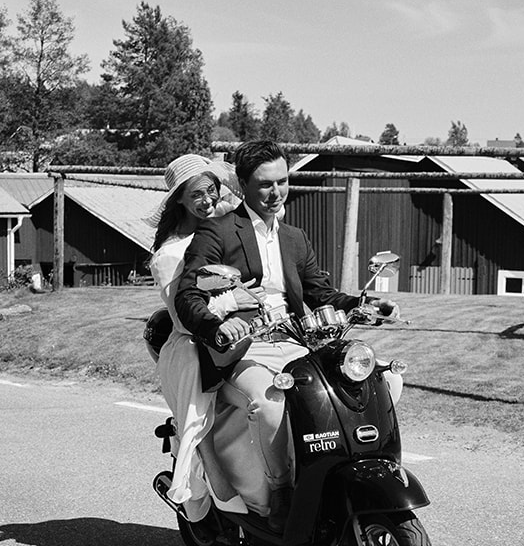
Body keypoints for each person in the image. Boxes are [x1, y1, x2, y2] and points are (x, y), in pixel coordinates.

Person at [174, 140, 397, 523]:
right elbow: (188, 294)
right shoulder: (218, 231)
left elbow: (319, 291)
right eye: (264, 184)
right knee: (272, 405)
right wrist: (219, 325)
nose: (276, 192)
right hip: (244, 349)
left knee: (374, 383)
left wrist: (361, 305)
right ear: (242, 184)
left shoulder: (294, 237)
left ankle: (349, 475)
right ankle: (279, 493)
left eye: (282, 181)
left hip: (296, 341)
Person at [146, 153, 244, 523]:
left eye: (213, 191)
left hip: (239, 334)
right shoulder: (171, 253)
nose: (208, 201)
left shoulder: (221, 232)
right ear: (180, 200)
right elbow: (183, 314)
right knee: (199, 422)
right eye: (198, 194)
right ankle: (208, 490)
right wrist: (238, 298)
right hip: (192, 344)